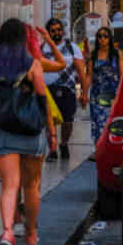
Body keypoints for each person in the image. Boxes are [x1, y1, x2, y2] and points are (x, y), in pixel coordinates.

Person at [0, 19, 56, 245]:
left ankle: (7, 233)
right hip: (31, 132)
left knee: (9, 186)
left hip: (3, 132)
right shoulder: (33, 64)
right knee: (31, 186)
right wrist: (51, 132)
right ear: (23, 40)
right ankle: (31, 235)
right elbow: (44, 101)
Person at [40, 18, 84, 163]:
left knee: (67, 121)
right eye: (53, 31)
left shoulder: (72, 47)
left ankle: (63, 144)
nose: (57, 33)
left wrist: (84, 92)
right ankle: (52, 149)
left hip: (68, 90)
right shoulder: (41, 48)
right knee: (49, 121)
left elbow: (80, 71)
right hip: (48, 91)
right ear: (48, 33)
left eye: (59, 30)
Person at [82, 27, 123, 145]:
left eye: (105, 36)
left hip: (113, 95)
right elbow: (89, 76)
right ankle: (99, 149)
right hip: (97, 96)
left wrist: (121, 94)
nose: (102, 39)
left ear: (110, 38)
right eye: (100, 36)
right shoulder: (93, 56)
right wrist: (84, 94)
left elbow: (122, 75)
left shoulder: (116, 54)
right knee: (98, 123)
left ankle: (110, 148)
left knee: (111, 123)